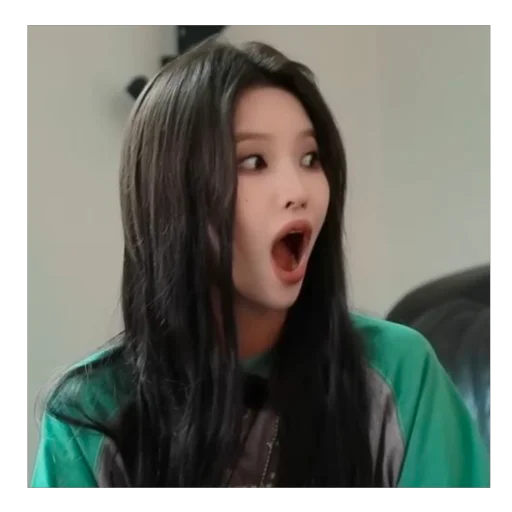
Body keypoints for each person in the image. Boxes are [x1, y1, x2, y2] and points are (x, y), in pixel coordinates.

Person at [30, 39, 490, 488]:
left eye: (310, 158)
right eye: (253, 162)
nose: (298, 190)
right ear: (172, 194)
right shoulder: (90, 414)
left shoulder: (399, 375)